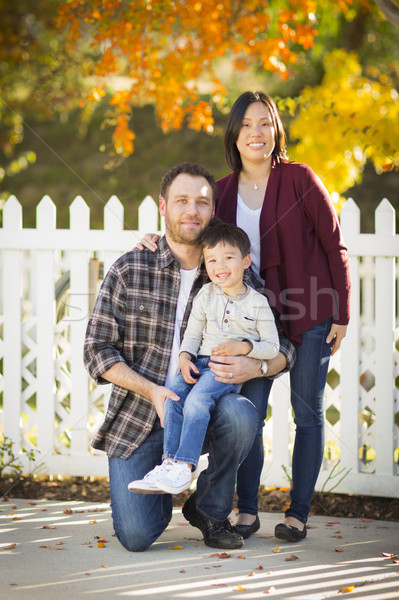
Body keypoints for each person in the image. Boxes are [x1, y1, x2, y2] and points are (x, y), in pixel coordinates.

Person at [137, 91, 351, 542]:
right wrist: (158, 239)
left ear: (276, 131)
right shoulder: (225, 190)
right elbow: (197, 237)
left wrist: (342, 313)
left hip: (308, 314)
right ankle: (248, 510)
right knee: (251, 414)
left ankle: (298, 513)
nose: (256, 133)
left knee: (306, 413)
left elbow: (335, 246)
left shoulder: (300, 179)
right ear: (233, 134)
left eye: (265, 123)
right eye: (247, 125)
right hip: (250, 324)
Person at [83, 161, 295, 552]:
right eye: (181, 200)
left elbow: (284, 347)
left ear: (213, 210)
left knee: (242, 414)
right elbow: (96, 350)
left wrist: (257, 362)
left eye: (202, 202)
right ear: (163, 206)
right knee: (135, 535)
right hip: (142, 416)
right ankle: (165, 483)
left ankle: (208, 509)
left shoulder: (229, 271)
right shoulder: (130, 268)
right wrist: (153, 391)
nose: (192, 210)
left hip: (206, 403)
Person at [128, 221, 279, 496]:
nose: (220, 266)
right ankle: (169, 464)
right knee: (173, 397)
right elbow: (192, 334)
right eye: (212, 260)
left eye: (228, 258)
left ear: (246, 262)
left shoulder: (257, 302)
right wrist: (185, 358)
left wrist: (244, 347)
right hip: (198, 362)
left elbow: (272, 347)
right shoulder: (205, 295)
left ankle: (185, 465)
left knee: (198, 400)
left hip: (223, 368)